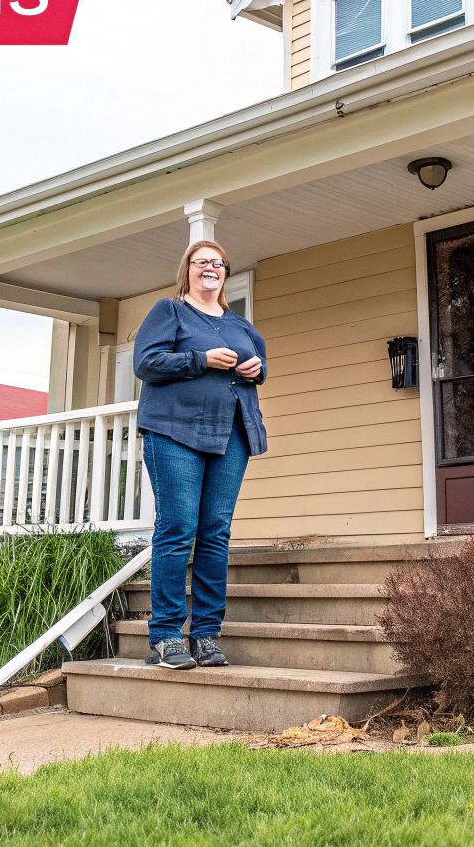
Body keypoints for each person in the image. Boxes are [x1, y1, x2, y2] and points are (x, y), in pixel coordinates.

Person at [132, 240, 269, 669]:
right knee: (177, 529)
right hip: (175, 431)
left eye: (217, 262)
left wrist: (256, 369)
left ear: (225, 273)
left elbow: (260, 362)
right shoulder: (169, 311)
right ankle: (167, 636)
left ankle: (206, 634)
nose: (210, 267)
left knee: (215, 533)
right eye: (201, 262)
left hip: (231, 435)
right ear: (187, 270)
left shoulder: (240, 325)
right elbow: (147, 363)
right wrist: (201, 359)